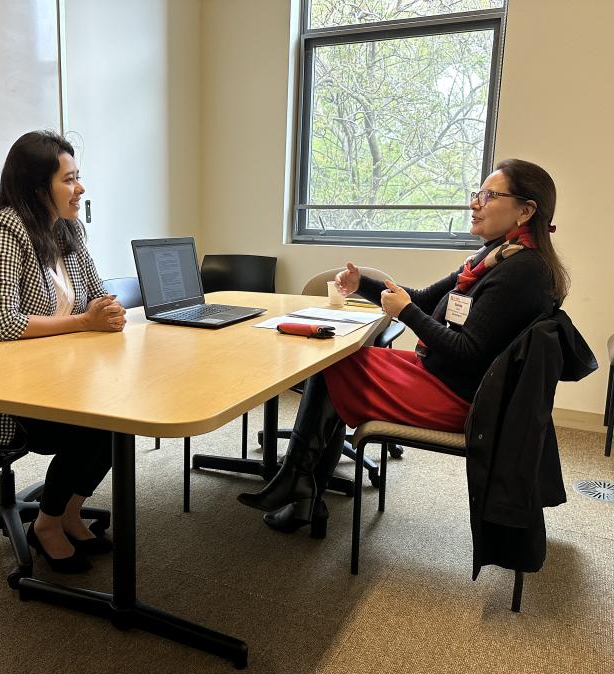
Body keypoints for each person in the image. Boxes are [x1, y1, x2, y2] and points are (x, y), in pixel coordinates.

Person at [238, 159, 570, 536]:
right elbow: (427, 298)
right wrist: (362, 283)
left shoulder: (522, 272)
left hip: (464, 399)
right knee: (338, 360)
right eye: (477, 194)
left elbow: (466, 351)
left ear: (526, 210)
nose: (474, 204)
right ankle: (300, 491)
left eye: (489, 195)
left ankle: (298, 483)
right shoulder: (495, 257)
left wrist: (406, 312)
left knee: (334, 365)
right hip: (447, 378)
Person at [0, 130, 126, 573]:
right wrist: (84, 321)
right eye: (70, 180)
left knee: (118, 419)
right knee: (91, 428)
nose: (80, 189)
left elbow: (96, 293)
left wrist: (107, 310)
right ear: (38, 187)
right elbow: (3, 324)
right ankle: (47, 524)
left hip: (58, 373)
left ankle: (71, 512)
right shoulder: (1, 231)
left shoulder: (67, 229)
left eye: (79, 178)